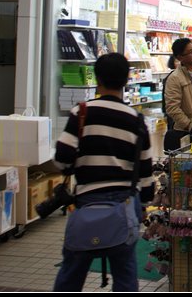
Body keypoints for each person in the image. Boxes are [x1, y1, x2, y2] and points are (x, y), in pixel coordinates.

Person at [53, 52, 154, 292]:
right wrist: (146, 204)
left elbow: (62, 158)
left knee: (72, 272)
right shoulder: (136, 120)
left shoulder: (82, 114)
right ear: (127, 80)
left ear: (97, 79)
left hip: (86, 202)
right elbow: (146, 172)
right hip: (124, 205)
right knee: (125, 274)